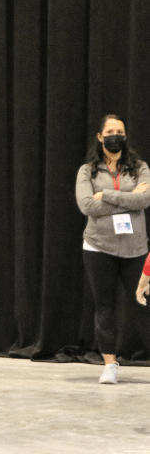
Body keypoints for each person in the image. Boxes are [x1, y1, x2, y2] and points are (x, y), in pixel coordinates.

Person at [75, 115, 150, 383]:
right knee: (105, 306)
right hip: (98, 248)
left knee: (143, 305)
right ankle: (109, 365)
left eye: (120, 131)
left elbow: (145, 199)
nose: (115, 135)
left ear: (125, 136)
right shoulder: (87, 171)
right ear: (100, 137)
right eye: (110, 131)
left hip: (136, 249)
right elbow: (86, 206)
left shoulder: (140, 167)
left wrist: (106, 195)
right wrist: (129, 199)